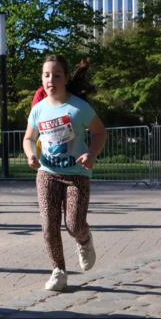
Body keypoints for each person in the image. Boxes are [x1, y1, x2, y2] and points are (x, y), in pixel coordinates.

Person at [23, 55, 107, 292]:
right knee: (49, 225)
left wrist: (91, 154)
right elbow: (29, 138)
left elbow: (100, 133)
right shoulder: (38, 110)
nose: (51, 79)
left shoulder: (78, 107)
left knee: (73, 223)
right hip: (47, 173)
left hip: (76, 175)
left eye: (56, 75)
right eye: (46, 75)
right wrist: (30, 154)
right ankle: (58, 271)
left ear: (66, 78)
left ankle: (84, 239)